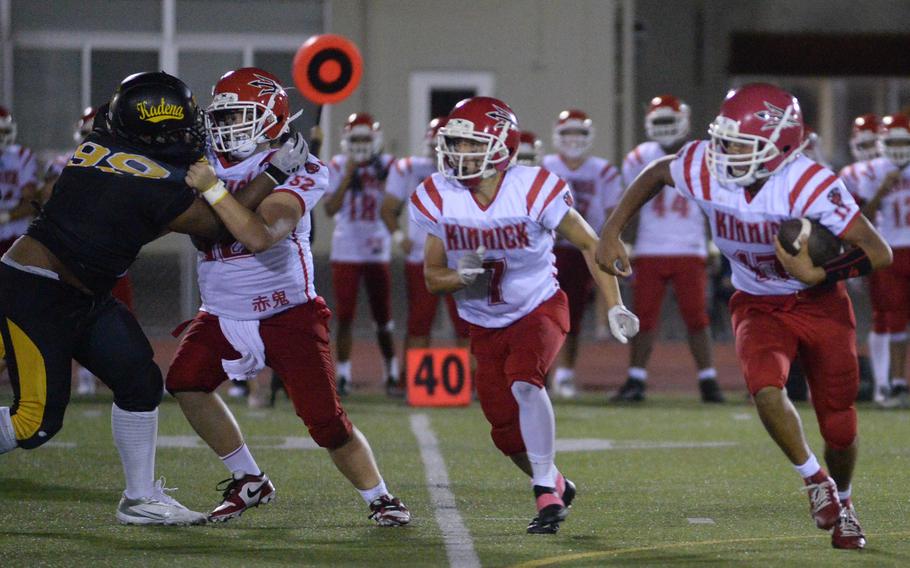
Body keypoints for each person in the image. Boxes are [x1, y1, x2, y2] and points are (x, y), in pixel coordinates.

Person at [596, 83, 892, 550]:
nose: (724, 151)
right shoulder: (704, 166)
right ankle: (815, 480)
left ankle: (846, 503)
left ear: (782, 146)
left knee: (839, 424)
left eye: (740, 143)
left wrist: (819, 272)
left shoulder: (809, 182)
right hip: (757, 301)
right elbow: (656, 173)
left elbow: (878, 251)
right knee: (766, 387)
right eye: (724, 138)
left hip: (820, 305)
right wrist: (612, 230)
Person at [0, 71, 302, 525]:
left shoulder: (103, 142)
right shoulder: (149, 179)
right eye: (179, 128)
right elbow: (219, 226)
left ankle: (139, 499)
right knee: (35, 422)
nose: (191, 133)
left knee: (140, 382)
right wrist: (275, 173)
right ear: (155, 132)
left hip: (85, 293)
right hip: (35, 290)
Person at [168, 67, 410, 526]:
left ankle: (380, 497)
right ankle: (248, 479)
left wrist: (214, 189)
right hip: (219, 311)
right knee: (184, 381)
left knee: (326, 422)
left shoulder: (302, 165)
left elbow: (260, 235)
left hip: (286, 310)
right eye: (220, 116)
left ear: (270, 117)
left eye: (239, 115)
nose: (225, 126)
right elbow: (191, 222)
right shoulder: (203, 162)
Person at [411, 96, 639, 534]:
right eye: (454, 145)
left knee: (525, 380)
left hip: (539, 306)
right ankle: (554, 481)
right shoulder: (438, 195)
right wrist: (461, 277)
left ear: (501, 147)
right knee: (503, 431)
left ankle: (544, 494)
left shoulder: (533, 186)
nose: (458, 155)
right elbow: (432, 278)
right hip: (483, 321)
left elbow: (594, 244)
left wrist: (615, 303)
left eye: (469, 145)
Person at [612, 95, 724, 403]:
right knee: (643, 318)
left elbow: (714, 201)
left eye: (668, 120)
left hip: (689, 248)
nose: (664, 128)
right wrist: (623, 239)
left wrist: (713, 242)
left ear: (685, 121)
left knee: (697, 317)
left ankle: (708, 380)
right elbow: (630, 203)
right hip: (650, 247)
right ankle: (636, 379)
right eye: (658, 121)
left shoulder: (704, 153)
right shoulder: (638, 156)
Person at [42, 106, 136, 397]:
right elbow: (47, 197)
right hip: (68, 255)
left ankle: (117, 376)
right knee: (56, 319)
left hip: (109, 256)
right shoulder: (64, 163)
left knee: (117, 317)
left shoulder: (126, 163)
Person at [380, 116, 469, 395]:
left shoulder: (473, 170)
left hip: (460, 256)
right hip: (421, 256)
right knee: (419, 321)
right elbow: (388, 208)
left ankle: (473, 383)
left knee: (467, 323)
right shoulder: (409, 168)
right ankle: (413, 382)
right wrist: (398, 237)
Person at [541, 109, 622, 398]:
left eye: (579, 133)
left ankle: (564, 371)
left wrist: (613, 240)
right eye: (567, 133)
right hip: (545, 248)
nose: (573, 139)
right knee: (536, 313)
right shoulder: (543, 165)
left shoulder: (603, 170)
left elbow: (615, 212)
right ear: (556, 135)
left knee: (571, 314)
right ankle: (540, 372)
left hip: (581, 249)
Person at [325, 113, 396, 395]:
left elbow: (396, 204)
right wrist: (348, 176)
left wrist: (380, 178)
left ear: (376, 140)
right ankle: (343, 374)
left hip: (377, 247)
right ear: (346, 141)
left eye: (366, 138)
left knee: (384, 316)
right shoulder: (338, 165)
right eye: (356, 139)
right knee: (344, 316)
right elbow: (330, 209)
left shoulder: (389, 166)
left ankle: (391, 372)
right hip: (346, 248)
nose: (362, 144)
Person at [852, 113, 910, 408]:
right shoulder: (873, 170)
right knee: (891, 319)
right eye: (893, 141)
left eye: (904, 141)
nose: (899, 147)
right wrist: (881, 190)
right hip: (888, 250)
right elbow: (864, 214)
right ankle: (893, 385)